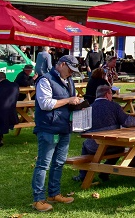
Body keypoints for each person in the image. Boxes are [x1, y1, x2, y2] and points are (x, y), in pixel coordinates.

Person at [31, 55, 84, 212]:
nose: (71, 73)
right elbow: (45, 104)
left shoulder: (69, 81)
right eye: (70, 70)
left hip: (63, 127)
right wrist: (68, 100)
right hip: (48, 128)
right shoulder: (45, 80)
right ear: (61, 65)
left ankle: (54, 193)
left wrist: (77, 103)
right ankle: (38, 199)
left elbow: (67, 101)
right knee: (43, 164)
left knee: (59, 163)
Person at [72, 85, 135, 182]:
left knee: (85, 144)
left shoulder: (89, 108)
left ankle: (83, 175)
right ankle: (105, 172)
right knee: (120, 148)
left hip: (94, 146)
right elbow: (127, 122)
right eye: (111, 94)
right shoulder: (114, 106)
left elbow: (81, 130)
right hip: (113, 146)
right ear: (107, 94)